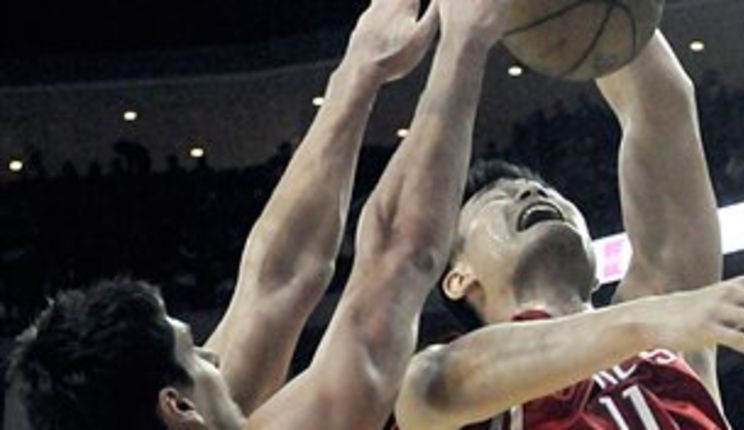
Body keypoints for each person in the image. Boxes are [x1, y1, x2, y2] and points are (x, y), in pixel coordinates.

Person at [2, 0, 506, 428]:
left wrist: (359, 72)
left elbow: (278, 278)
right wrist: (464, 42)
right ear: (177, 405)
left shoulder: (172, 409)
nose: (215, 354)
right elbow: (400, 254)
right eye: (196, 354)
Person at [392, 32, 744, 430]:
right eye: (499, 197)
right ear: (458, 276)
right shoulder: (461, 391)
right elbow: (430, 386)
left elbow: (660, 103)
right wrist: (648, 320)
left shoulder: (664, 339)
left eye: (545, 190)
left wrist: (598, 19)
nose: (532, 192)